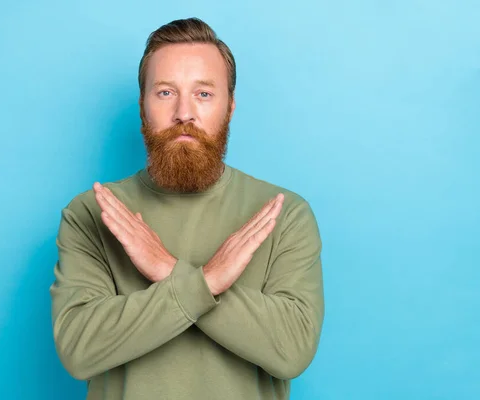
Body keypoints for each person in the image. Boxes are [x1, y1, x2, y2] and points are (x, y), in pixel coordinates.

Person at [50, 17, 324, 400]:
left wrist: (166, 269)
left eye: (204, 94)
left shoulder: (283, 214)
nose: (184, 113)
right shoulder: (92, 214)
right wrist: (207, 281)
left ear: (229, 107)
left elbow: (291, 351)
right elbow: (79, 350)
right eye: (165, 93)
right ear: (143, 106)